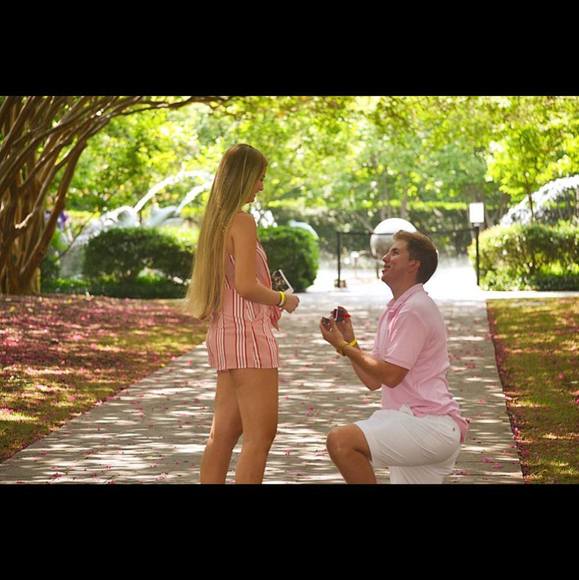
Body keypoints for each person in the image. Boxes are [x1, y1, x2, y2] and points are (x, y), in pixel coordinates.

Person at [184, 144, 300, 484]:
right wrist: (283, 299)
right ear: (244, 177)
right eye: (259, 178)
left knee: (223, 434)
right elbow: (246, 286)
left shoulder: (216, 223)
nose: (261, 186)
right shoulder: (242, 221)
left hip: (226, 334)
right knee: (260, 437)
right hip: (248, 335)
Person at [319, 230, 469, 484]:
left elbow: (391, 375)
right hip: (415, 422)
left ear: (414, 264)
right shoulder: (395, 311)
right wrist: (350, 341)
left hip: (427, 424)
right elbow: (373, 380)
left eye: (395, 252)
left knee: (340, 441)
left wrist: (343, 346)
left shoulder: (414, 310)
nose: (385, 258)